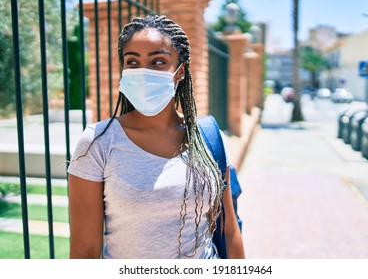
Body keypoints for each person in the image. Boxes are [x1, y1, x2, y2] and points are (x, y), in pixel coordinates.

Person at [67, 14, 245, 259]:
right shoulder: (98, 143)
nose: (143, 72)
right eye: (132, 62)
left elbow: (229, 231)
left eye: (158, 61)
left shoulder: (209, 138)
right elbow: (84, 251)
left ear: (180, 72)